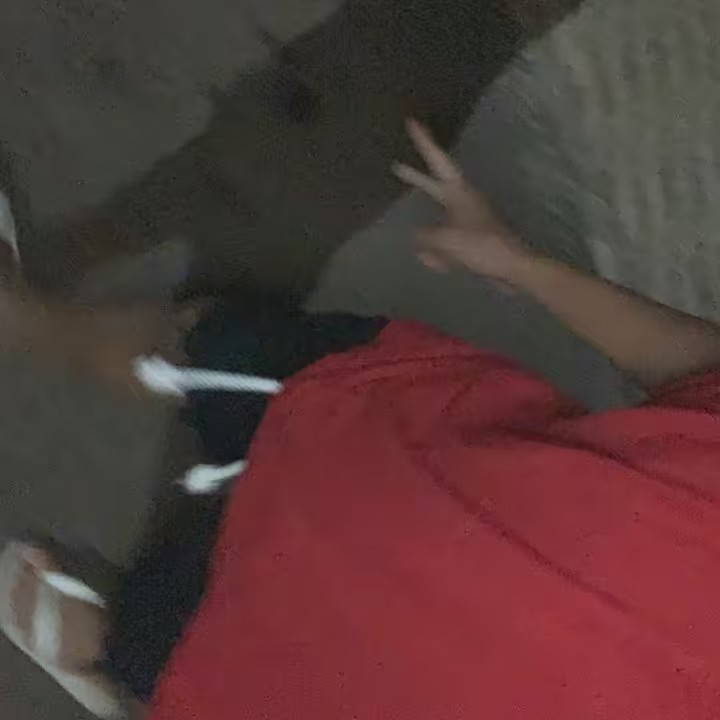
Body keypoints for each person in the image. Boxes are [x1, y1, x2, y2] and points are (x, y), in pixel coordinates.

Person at [3, 119, 720, 719]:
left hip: (383, 461)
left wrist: (520, 266)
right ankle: (100, 648)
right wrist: (519, 264)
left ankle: (19, 323)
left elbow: (697, 369)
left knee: (203, 355)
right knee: (194, 647)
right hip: (333, 645)